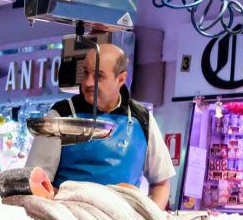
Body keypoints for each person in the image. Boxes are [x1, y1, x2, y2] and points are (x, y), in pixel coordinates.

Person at [25, 43, 176, 207]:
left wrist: (151, 219)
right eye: (86, 73)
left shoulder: (143, 118)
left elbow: (161, 183)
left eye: (98, 76)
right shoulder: (60, 115)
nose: (88, 82)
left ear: (121, 79)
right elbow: (36, 181)